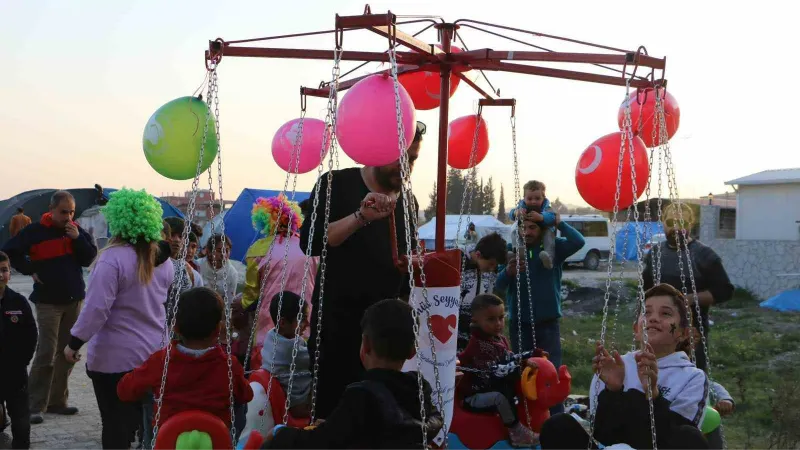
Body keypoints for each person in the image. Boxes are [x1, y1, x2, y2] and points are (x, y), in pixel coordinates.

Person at [300, 121, 425, 419]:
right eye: (400, 158)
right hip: (338, 327)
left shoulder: (408, 200)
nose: (405, 167)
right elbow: (312, 242)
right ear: (377, 150)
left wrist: (415, 264)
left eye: (412, 159)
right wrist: (360, 217)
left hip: (388, 334)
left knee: (381, 419)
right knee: (334, 416)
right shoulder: (335, 184)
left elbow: (405, 258)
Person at [64, 188, 175, 449]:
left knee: (115, 426)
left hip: (114, 361)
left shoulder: (111, 259)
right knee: (147, 426)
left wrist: (74, 343)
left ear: (118, 219)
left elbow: (95, 310)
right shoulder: (163, 262)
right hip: (154, 355)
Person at [539, 283, 710, 450]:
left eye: (665, 313)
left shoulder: (692, 377)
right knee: (558, 425)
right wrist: (613, 391)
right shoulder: (615, 366)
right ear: (636, 329)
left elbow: (678, 437)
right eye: (646, 312)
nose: (653, 318)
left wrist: (654, 396)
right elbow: (603, 433)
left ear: (683, 333)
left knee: (691, 437)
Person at [263, 298, 443, 450]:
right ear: (413, 351)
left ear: (365, 345)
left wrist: (280, 433)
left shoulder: (361, 396)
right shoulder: (419, 390)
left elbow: (319, 443)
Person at [2, 191, 98, 424]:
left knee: (67, 353)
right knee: (46, 352)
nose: (68, 216)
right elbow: (10, 251)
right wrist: (29, 269)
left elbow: (89, 258)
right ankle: (34, 404)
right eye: (64, 212)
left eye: (71, 212)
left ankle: (57, 401)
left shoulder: (75, 231)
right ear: (51, 209)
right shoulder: (35, 231)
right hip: (48, 302)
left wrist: (78, 238)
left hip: (74, 299)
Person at [117, 287, 254, 429]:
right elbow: (247, 395)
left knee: (148, 400)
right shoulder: (229, 365)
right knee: (238, 403)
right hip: (216, 439)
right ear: (218, 330)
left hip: (169, 439)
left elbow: (124, 390)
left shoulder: (160, 360)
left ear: (175, 327)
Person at [497, 215, 584, 415]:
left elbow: (578, 241)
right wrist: (507, 273)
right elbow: (498, 286)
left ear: (542, 230)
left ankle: (555, 421)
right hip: (520, 324)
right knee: (523, 373)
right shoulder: (513, 252)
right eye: (523, 228)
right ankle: (528, 418)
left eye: (532, 227)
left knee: (550, 373)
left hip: (547, 323)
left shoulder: (553, 249)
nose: (526, 232)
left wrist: (557, 222)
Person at [643, 202, 734, 373]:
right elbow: (645, 290)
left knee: (691, 377)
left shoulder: (704, 256)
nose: (676, 228)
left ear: (691, 224)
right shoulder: (655, 254)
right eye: (670, 223)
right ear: (663, 223)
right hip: (657, 330)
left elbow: (724, 291)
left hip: (691, 332)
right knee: (655, 376)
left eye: (682, 223)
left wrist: (687, 299)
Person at [457, 294, 537, 447]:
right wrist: (521, 363)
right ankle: (516, 432)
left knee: (510, 389)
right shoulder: (478, 345)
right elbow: (495, 371)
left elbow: (510, 357)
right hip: (472, 396)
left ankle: (522, 424)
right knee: (500, 397)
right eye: (491, 319)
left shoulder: (498, 339)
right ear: (475, 321)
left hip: (488, 388)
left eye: (501, 317)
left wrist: (532, 354)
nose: (498, 323)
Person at [239, 194, 316, 346]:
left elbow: (251, 293)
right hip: (305, 324)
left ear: (264, 222)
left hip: (270, 324)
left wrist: (242, 304)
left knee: (266, 365)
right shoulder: (310, 246)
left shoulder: (258, 248)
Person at [0, 251, 38, 449]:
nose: (0, 275)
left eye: (4, 270)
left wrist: (22, 361)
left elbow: (31, 335)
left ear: (10, 273)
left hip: (15, 374)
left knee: (22, 423)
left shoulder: (19, 302)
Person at [261, 291, 312, 418]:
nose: (308, 324)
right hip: (298, 406)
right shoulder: (290, 351)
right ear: (283, 323)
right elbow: (315, 359)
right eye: (302, 319)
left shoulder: (271, 336)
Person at [458, 233, 508, 351]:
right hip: (457, 323)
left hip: (479, 325)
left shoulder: (491, 268)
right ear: (478, 254)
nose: (492, 269)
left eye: (495, 265)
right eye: (490, 264)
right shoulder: (460, 261)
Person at [510, 181, 557, 270]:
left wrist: (541, 217)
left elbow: (552, 217)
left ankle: (549, 258)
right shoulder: (521, 206)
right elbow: (511, 214)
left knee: (549, 235)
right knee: (514, 229)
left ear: (543, 198)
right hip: (523, 234)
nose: (533, 202)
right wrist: (516, 213)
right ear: (524, 199)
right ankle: (517, 249)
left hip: (544, 229)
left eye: (537, 198)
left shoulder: (546, 207)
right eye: (530, 199)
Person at [197, 234, 238, 304]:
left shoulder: (232, 273)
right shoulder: (198, 265)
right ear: (210, 252)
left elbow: (229, 300)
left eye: (227, 251)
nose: (223, 254)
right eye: (219, 251)